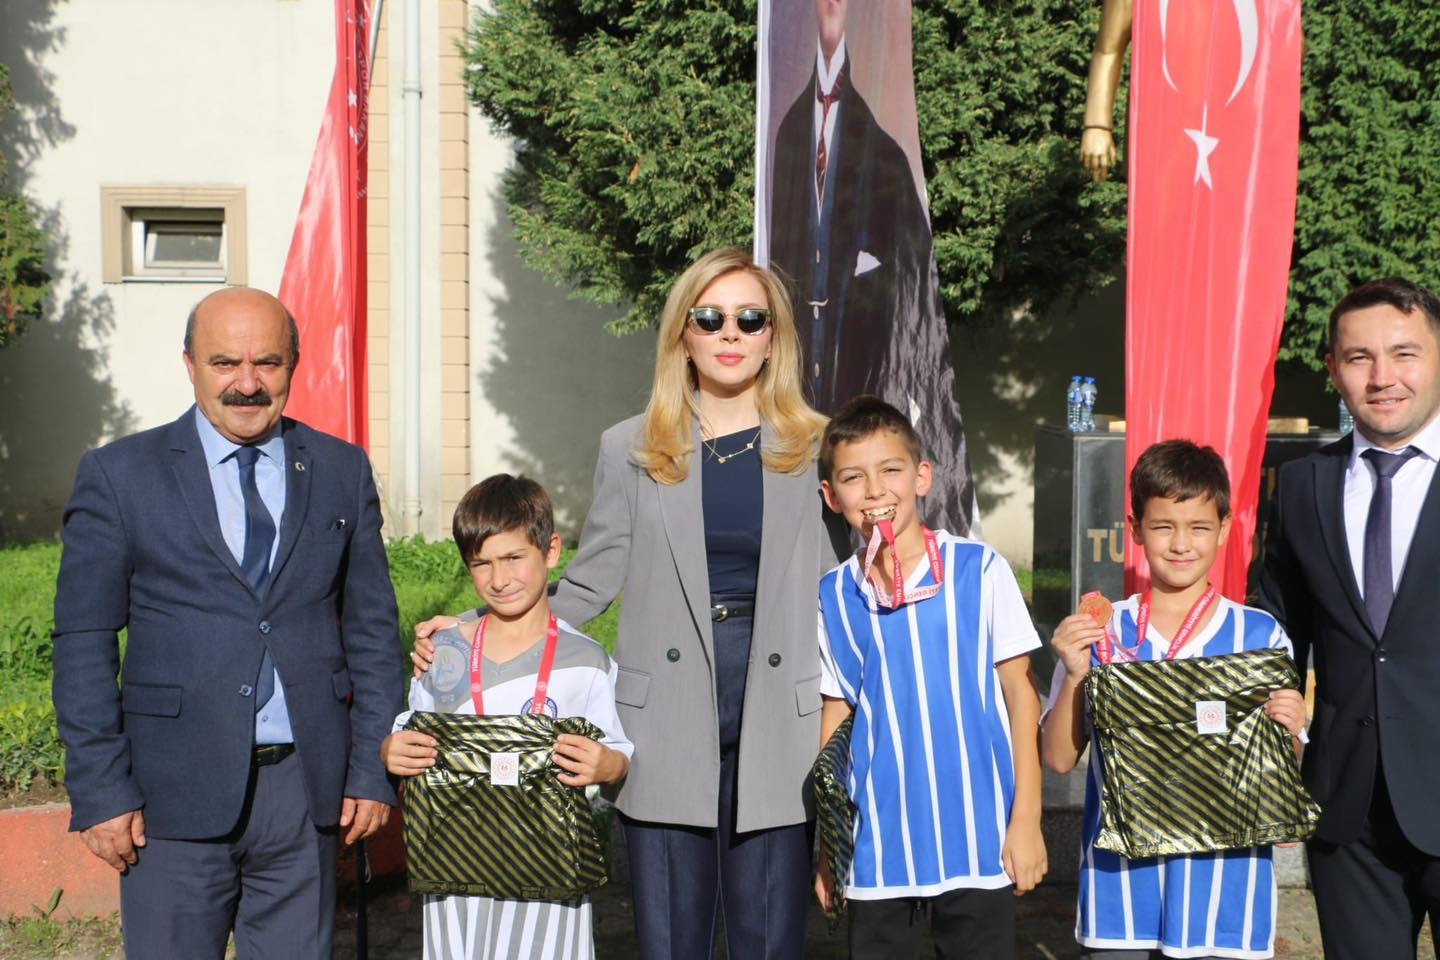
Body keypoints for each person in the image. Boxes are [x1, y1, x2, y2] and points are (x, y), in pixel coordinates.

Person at [414, 247, 846, 958]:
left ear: (775, 337)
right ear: (683, 333)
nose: (730, 333)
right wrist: (470, 631)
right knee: (671, 942)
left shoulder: (817, 447)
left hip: (782, 715)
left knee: (770, 943)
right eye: (709, 318)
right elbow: (589, 582)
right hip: (665, 717)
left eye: (750, 319)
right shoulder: (632, 448)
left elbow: (849, 588)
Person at [50, 287, 403, 958]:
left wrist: (369, 769)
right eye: (224, 363)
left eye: (267, 362)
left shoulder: (341, 469)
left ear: (293, 364)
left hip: (305, 793)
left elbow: (372, 631)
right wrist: (100, 788)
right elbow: (83, 642)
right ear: (189, 364)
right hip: (169, 796)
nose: (247, 383)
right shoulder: (120, 475)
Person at [1043, 439, 1306, 960]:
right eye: (1163, 526)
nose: (1181, 543)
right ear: (1135, 528)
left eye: (1199, 527)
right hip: (1121, 898)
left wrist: (1291, 728)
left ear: (1225, 529)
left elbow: (1284, 770)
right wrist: (1074, 675)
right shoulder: (1101, 633)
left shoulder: (1260, 635)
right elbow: (1058, 759)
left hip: (1225, 902)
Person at [813, 395, 1047, 960]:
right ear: (832, 496)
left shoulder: (979, 569)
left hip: (979, 835)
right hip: (879, 841)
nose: (875, 490)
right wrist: (829, 843)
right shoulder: (835, 594)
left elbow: (1022, 695)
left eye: (890, 470)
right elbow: (837, 714)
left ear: (922, 477)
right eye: (853, 477)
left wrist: (1027, 819)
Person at [1260, 278, 1440, 959]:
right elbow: (1278, 630)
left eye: (1404, 353)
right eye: (1359, 357)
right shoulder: (1302, 485)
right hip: (1348, 813)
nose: (1382, 376)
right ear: (1333, 369)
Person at [382, 474, 632, 959]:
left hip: (551, 879)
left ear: (551, 551)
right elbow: (410, 726)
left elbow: (618, 750)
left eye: (514, 558)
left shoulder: (587, 661)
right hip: (457, 877)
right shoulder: (444, 655)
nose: (499, 580)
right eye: (482, 564)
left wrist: (610, 765)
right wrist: (392, 749)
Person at [766, 0, 974, 533]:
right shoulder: (789, 132)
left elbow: (910, 275)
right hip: (799, 362)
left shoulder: (881, 151)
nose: (832, 4)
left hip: (859, 360)